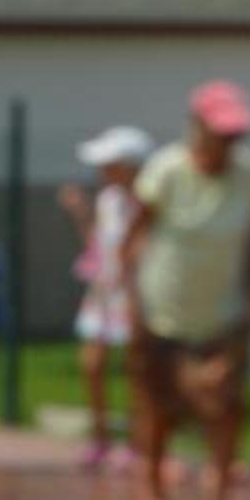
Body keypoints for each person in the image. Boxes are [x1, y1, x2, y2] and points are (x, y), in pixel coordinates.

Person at [123, 81, 250, 500]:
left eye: (236, 134)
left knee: (226, 406)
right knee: (157, 408)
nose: (230, 143)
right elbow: (132, 241)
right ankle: (153, 495)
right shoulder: (166, 171)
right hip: (163, 309)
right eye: (222, 133)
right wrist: (132, 305)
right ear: (198, 128)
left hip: (221, 312)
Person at [58, 125, 152, 473]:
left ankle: (135, 444)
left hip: (135, 294)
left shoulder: (148, 203)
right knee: (92, 364)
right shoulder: (108, 201)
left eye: (109, 164)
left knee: (135, 369)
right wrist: (80, 213)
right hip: (104, 292)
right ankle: (100, 440)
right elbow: (98, 246)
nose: (102, 171)